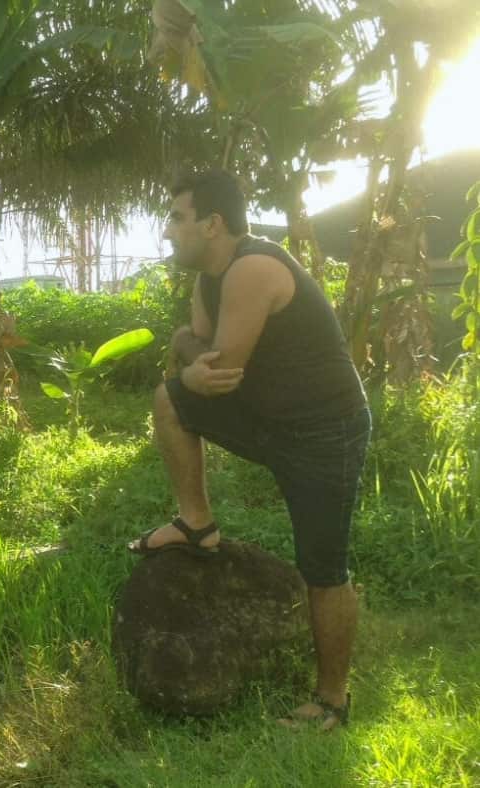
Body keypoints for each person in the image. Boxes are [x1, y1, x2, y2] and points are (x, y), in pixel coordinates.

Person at [128, 170, 371, 731]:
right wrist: (188, 350)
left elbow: (220, 371)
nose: (168, 232)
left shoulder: (253, 269)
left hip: (325, 431)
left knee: (323, 567)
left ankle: (332, 700)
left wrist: (189, 350)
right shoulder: (207, 278)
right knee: (168, 397)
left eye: (177, 218)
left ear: (213, 224)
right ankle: (197, 523)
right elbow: (198, 355)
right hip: (268, 418)